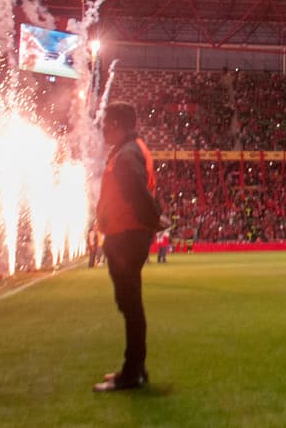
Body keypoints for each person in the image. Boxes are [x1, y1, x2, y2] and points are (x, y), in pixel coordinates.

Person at [94, 102, 167, 393]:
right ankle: (134, 368)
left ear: (117, 123)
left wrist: (154, 219)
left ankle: (133, 372)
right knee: (129, 305)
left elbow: (137, 192)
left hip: (126, 237)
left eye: (106, 123)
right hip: (126, 234)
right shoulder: (130, 150)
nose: (102, 129)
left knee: (131, 305)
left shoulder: (127, 155)